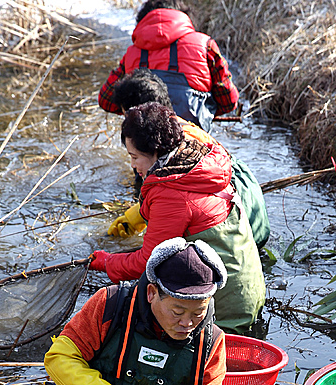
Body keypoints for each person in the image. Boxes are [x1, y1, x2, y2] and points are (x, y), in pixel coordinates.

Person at [44, 238, 228, 385]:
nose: (187, 323)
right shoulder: (109, 305)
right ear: (152, 293)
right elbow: (58, 359)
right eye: (177, 311)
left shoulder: (211, 340)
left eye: (198, 312)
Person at [90, 102, 266, 334]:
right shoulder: (199, 158)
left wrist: (106, 262)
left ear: (155, 151)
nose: (132, 165)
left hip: (225, 313)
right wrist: (137, 215)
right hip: (249, 291)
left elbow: (145, 262)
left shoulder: (171, 193)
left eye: (134, 157)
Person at [110, 68, 270, 248]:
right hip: (250, 221)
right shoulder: (175, 129)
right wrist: (137, 215)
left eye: (127, 116)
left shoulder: (172, 145)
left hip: (240, 223)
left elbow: (175, 198)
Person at [98, 0, 239, 132]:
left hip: (143, 144)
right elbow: (229, 101)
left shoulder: (132, 52)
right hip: (191, 137)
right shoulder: (205, 45)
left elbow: (106, 101)